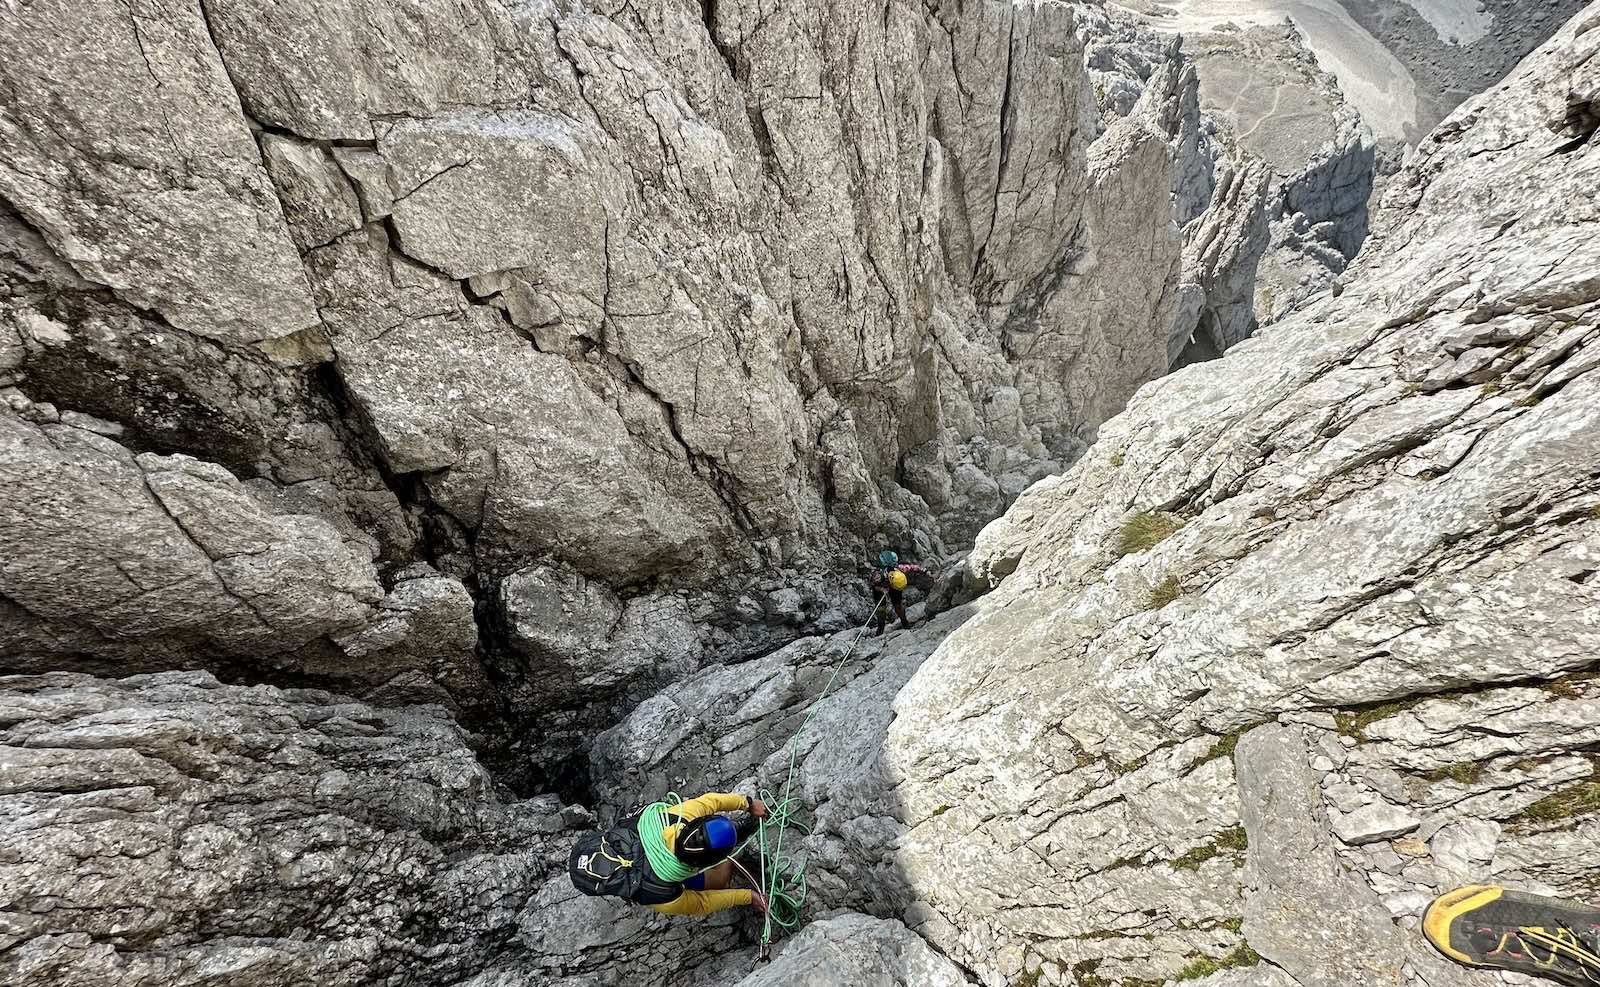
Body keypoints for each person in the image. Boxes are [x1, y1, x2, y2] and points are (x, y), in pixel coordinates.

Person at [568, 791, 770, 916]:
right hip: (648, 872)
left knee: (712, 877)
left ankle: (733, 848)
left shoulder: (671, 818)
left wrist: (749, 803)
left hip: (641, 856)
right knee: (719, 880)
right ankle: (735, 857)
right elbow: (702, 903)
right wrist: (749, 803)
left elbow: (711, 802)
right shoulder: (661, 893)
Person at [866, 549, 926, 636]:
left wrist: (925, 571)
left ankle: (903, 623)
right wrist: (882, 589)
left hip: (892, 587)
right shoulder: (878, 574)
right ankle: (881, 629)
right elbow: (873, 584)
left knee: (897, 605)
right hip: (880, 588)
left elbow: (913, 568)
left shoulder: (897, 569)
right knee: (881, 609)